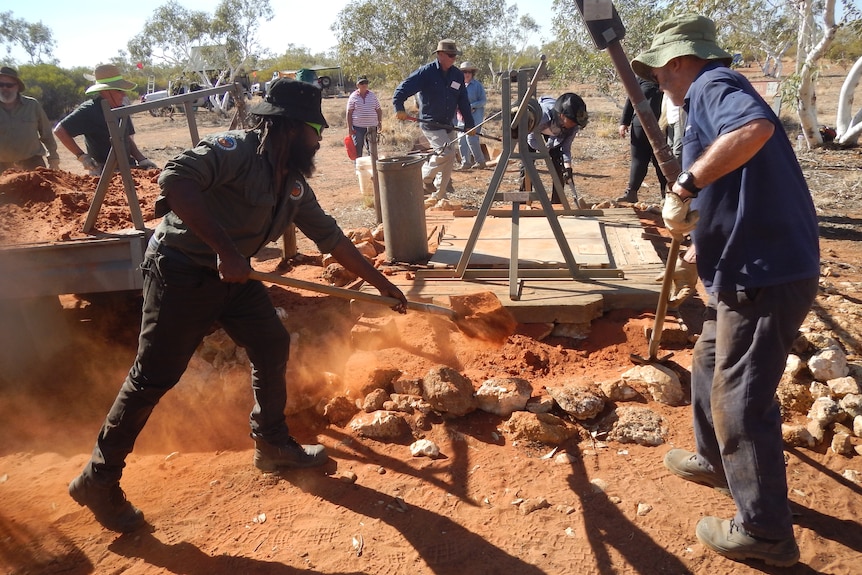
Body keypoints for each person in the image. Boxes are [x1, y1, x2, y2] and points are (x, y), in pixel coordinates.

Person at [67, 78, 408, 533]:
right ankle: (98, 478)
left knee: (270, 343)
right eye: (313, 128)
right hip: (182, 270)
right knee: (153, 377)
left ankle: (271, 443)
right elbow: (176, 180)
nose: (319, 137)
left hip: (235, 277)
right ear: (288, 127)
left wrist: (382, 284)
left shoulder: (292, 184)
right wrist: (227, 250)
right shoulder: (234, 151)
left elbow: (332, 237)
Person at [632, 14, 820, 567]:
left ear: (682, 60)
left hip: (765, 273)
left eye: (662, 69)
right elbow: (740, 180)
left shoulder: (714, 86)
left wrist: (686, 182)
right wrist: (703, 240)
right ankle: (716, 460)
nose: (658, 80)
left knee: (740, 400)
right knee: (710, 362)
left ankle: (764, 531)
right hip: (740, 266)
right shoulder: (704, 96)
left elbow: (752, 130)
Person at [393, 39, 475, 207]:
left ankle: (439, 194)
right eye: (450, 55)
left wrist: (469, 123)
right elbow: (402, 88)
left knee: (449, 159)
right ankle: (423, 177)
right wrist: (399, 107)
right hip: (430, 123)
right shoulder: (426, 72)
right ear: (440, 55)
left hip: (448, 123)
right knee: (447, 153)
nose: (453, 58)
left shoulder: (457, 75)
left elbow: (463, 100)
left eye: (455, 55)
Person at [53, 64, 157, 176]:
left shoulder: (121, 109)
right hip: (102, 173)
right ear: (106, 91)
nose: (124, 94)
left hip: (126, 168)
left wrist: (142, 159)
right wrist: (82, 157)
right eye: (119, 90)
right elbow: (60, 131)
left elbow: (125, 138)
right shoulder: (89, 109)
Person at [520, 93, 588, 204]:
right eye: (572, 121)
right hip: (532, 129)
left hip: (553, 132)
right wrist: (546, 150)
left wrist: (568, 167)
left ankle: (557, 202)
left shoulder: (573, 126)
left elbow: (565, 148)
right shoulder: (543, 116)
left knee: (559, 163)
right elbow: (531, 140)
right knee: (527, 162)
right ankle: (523, 201)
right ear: (562, 115)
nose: (574, 125)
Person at [0, 65, 60, 174]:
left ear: (17, 87)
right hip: (2, 167)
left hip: (32, 164)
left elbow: (46, 134)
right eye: (1, 85)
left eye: (9, 85)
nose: (4, 88)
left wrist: (53, 158)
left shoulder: (32, 105)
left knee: (40, 191)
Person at [616, 77, 667, 203]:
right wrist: (624, 122)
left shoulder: (670, 77)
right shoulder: (641, 79)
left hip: (661, 127)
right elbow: (630, 99)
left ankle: (667, 195)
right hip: (639, 126)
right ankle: (631, 193)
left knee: (662, 161)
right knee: (638, 160)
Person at [454, 61, 487, 170]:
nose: (467, 74)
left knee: (471, 138)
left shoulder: (477, 85)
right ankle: (465, 163)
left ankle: (480, 161)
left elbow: (483, 101)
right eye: (464, 72)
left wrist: (472, 106)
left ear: (472, 73)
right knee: (461, 139)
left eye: (469, 72)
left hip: (475, 117)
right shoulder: (456, 84)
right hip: (460, 117)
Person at [346, 75, 382, 157]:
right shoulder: (353, 97)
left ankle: (373, 168)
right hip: (357, 128)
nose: (364, 85)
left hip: (372, 127)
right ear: (357, 85)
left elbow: (379, 110)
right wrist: (349, 128)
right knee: (358, 150)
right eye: (362, 83)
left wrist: (380, 122)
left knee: (372, 150)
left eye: (365, 83)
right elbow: (349, 113)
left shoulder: (372, 96)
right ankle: (358, 167)